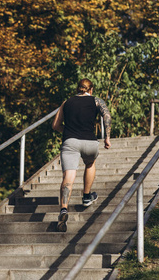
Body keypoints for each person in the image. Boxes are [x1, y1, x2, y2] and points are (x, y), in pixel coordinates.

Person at [52, 78, 112, 232]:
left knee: (68, 176)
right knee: (90, 163)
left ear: (77, 89)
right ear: (90, 90)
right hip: (90, 142)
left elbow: (55, 125)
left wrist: (67, 132)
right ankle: (86, 196)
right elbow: (107, 116)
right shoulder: (96, 101)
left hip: (70, 142)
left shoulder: (67, 102)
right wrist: (107, 137)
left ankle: (64, 209)